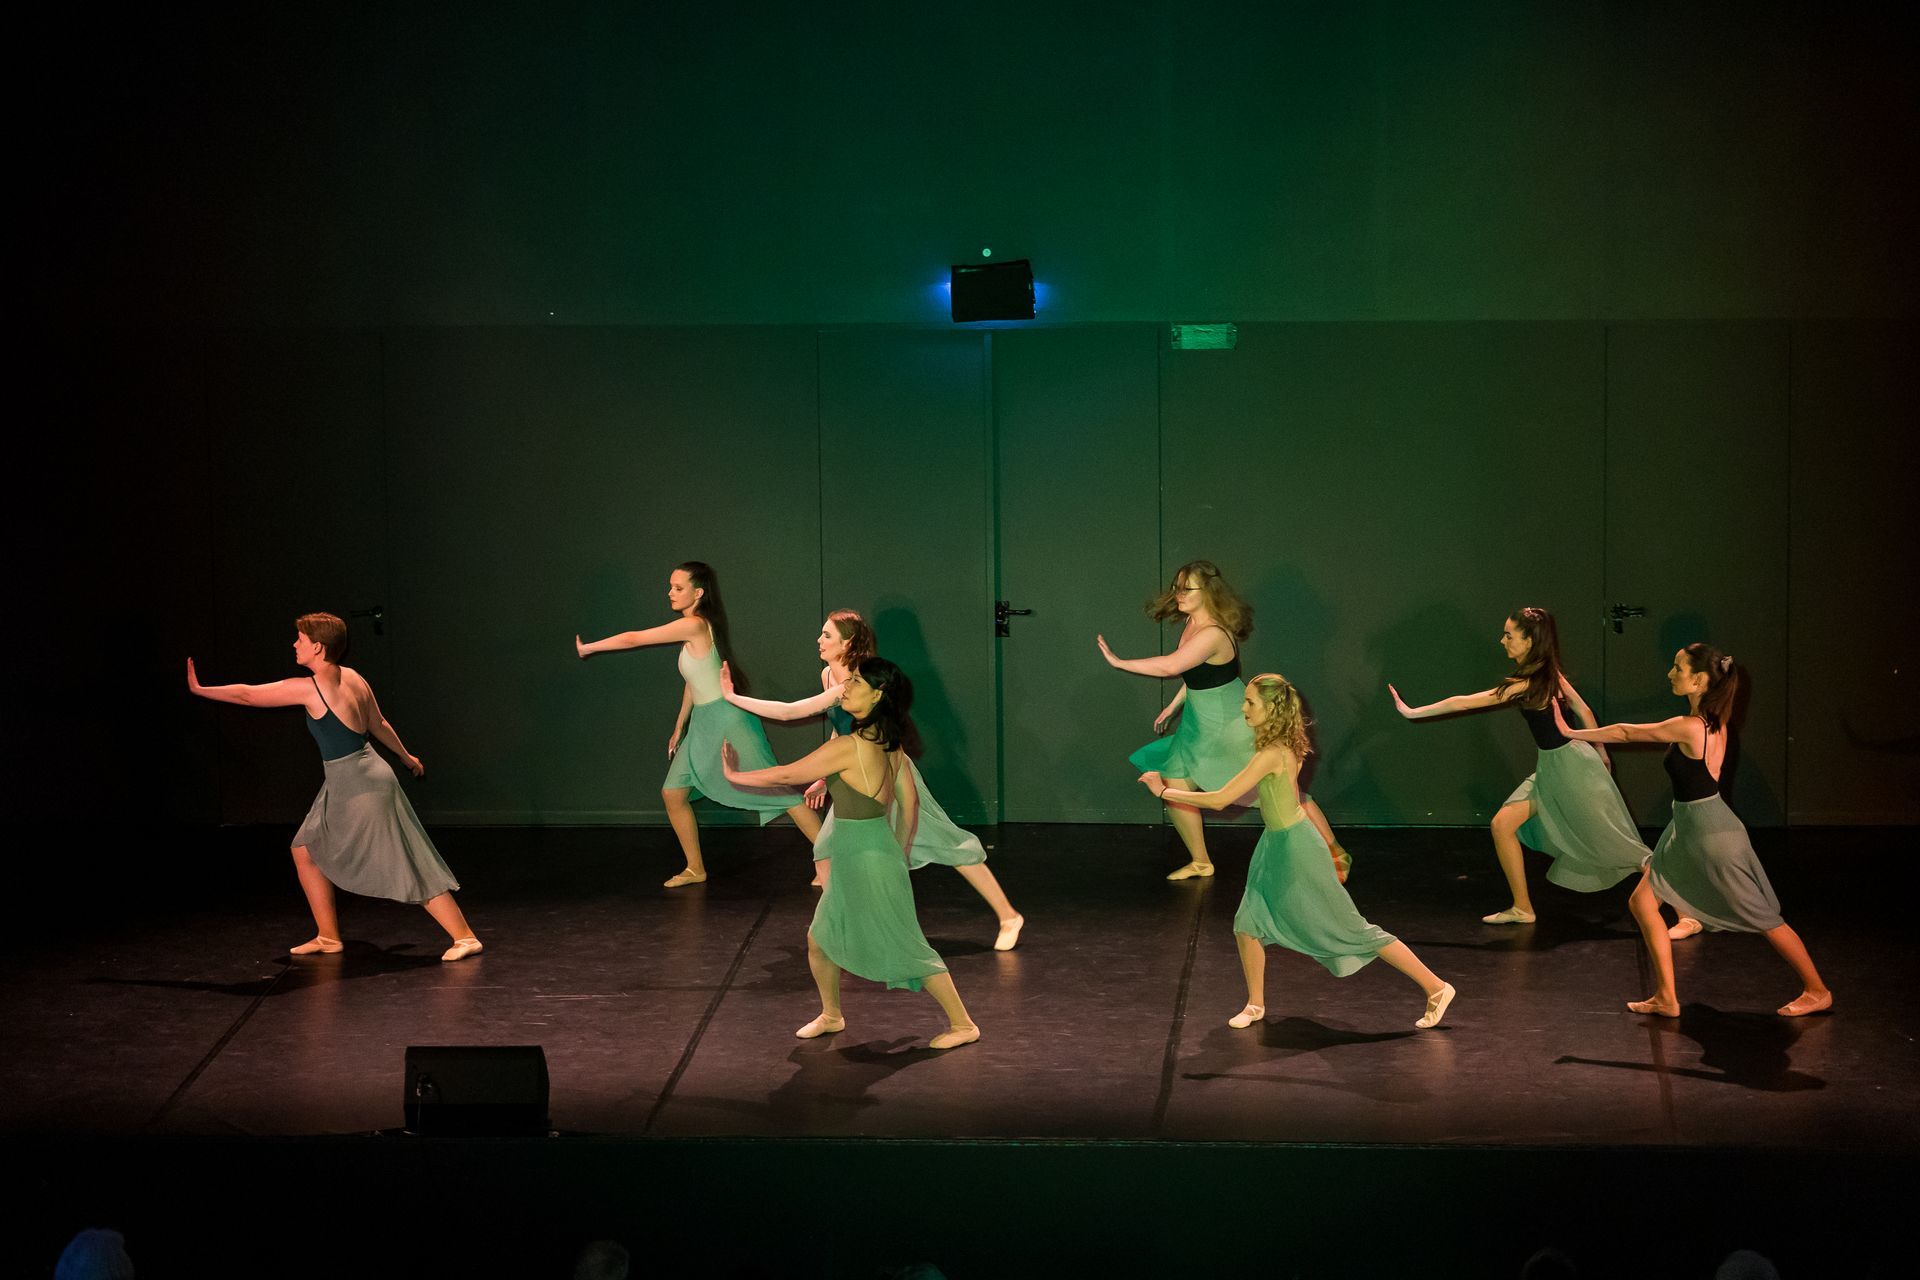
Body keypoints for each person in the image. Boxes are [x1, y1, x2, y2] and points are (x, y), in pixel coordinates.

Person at [1149, 673, 1454, 1030]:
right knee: (1246, 924)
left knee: (1353, 930)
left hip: (1297, 848)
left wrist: (1165, 792)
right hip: (1276, 843)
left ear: (1271, 709)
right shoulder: (1276, 744)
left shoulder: (1272, 753)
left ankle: (1437, 987)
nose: (1243, 707)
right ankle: (1255, 1005)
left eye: (1250, 702)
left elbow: (1219, 799)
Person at [1552, 645, 1831, 1017]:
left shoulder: (1689, 727)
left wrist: (1570, 730)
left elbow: (1625, 732)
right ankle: (1666, 997)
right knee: (1642, 902)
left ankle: (1817, 989)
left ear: (1698, 680)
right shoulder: (1713, 722)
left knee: (1763, 918)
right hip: (1686, 826)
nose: (1671, 673)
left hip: (1710, 833)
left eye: (1678, 667)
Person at [722, 608, 1024, 949]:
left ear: (847, 642)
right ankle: (847, 928)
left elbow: (792, 711)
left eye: (827, 636)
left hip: (887, 772)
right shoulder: (828, 676)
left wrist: (733, 697)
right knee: (825, 850)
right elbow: (842, 731)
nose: (819, 641)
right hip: (856, 777)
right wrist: (824, 777)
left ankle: (1008, 915)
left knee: (945, 843)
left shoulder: (858, 679)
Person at [187, 613, 481, 961]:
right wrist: (405, 756)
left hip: (360, 786)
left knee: (404, 861)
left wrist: (200, 689)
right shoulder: (352, 676)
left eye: (299, 639)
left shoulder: (310, 688)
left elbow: (250, 696)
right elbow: (378, 723)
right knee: (305, 851)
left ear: (317, 646)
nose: (295, 644)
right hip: (356, 776)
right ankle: (328, 937)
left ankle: (464, 937)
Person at [723, 657, 979, 1049]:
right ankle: (831, 1014)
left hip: (865, 856)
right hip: (864, 851)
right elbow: (908, 805)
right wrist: (898, 849)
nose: (846, 686)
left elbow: (787, 774)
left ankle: (963, 1025)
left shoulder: (849, 747)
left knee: (906, 945)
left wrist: (734, 776)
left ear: (877, 695)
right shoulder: (891, 747)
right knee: (820, 939)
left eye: (856, 682)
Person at [1391, 606, 1645, 923]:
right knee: (1502, 825)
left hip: (1571, 770)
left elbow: (1464, 701)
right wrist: (1601, 751)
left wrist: (1413, 712)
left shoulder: (1528, 683)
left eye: (1509, 635)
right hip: (1556, 766)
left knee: (1619, 846)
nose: (1502, 641)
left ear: (1528, 641)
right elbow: (1585, 711)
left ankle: (1683, 907)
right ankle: (1523, 907)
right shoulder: (1545, 674)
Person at [1101, 560, 1350, 882]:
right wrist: (1176, 705)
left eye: (1186, 588)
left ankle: (1334, 850)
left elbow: (1171, 666)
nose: (1179, 594)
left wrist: (1119, 662)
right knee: (1175, 779)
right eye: (1177, 587)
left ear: (1207, 592)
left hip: (1228, 722)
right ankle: (1201, 861)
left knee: (1275, 791)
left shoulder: (1214, 633)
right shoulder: (1192, 623)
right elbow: (1198, 675)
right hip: (1198, 721)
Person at [576, 561, 821, 887]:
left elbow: (635, 639)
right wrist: (681, 724)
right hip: (704, 722)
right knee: (673, 794)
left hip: (729, 721)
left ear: (698, 592)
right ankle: (695, 868)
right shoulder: (695, 629)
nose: (671, 593)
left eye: (678, 587)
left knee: (781, 793)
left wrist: (590, 647)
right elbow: (694, 681)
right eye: (671, 586)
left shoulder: (694, 625)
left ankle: (831, 861)